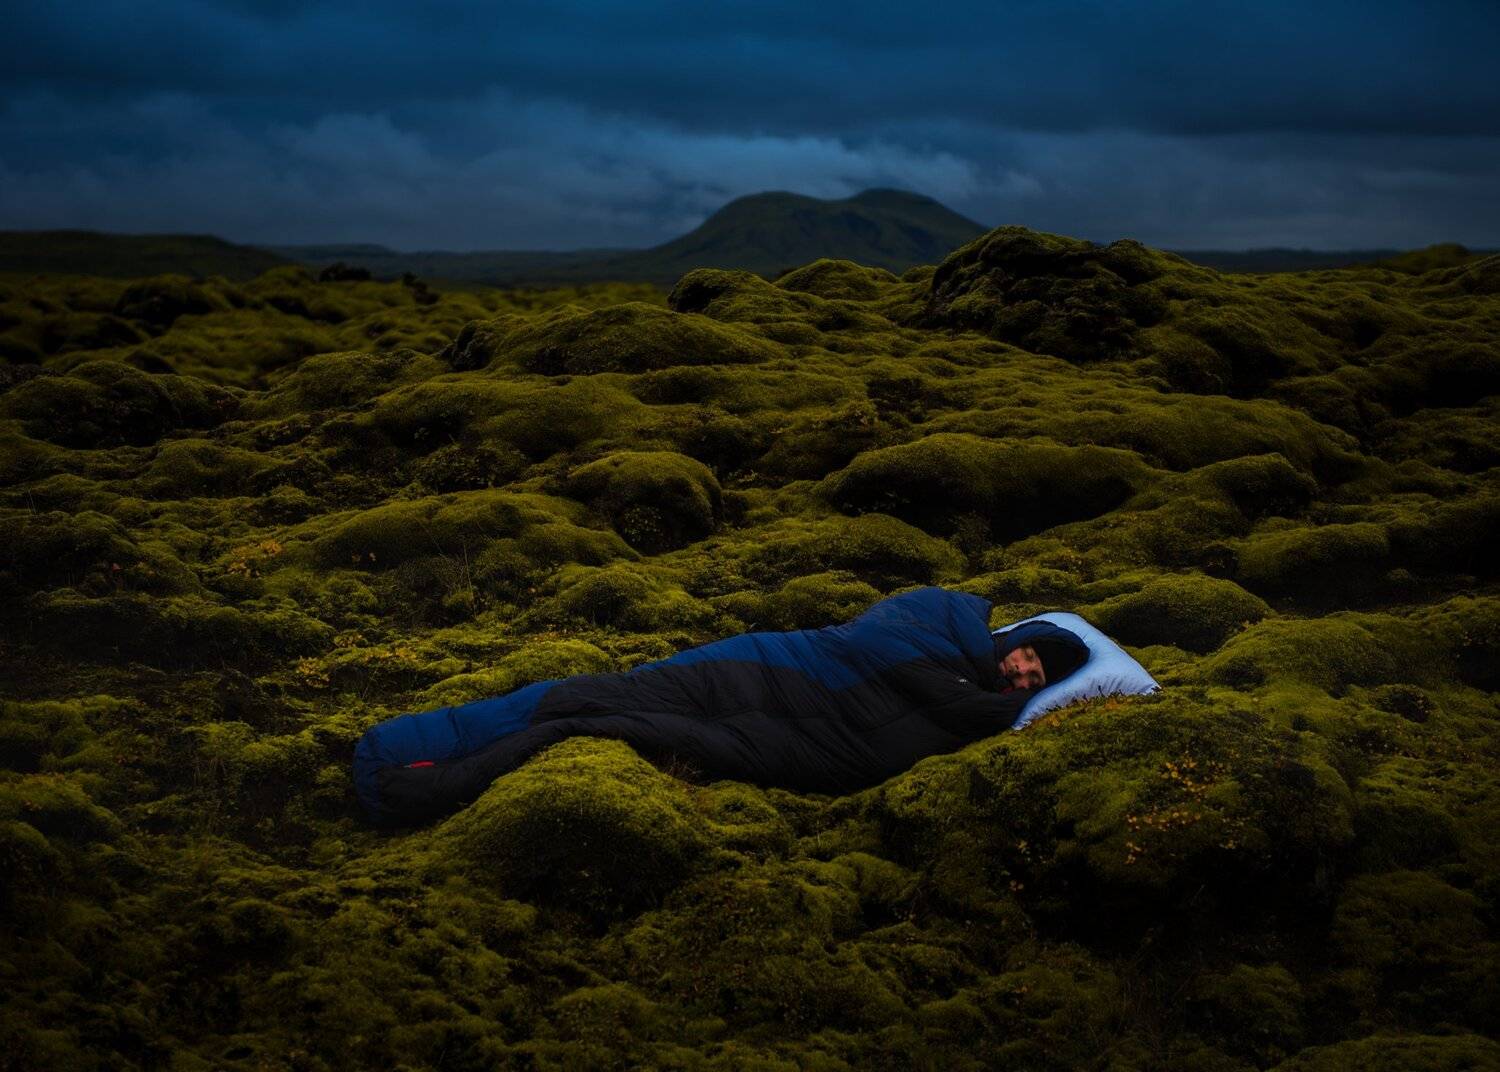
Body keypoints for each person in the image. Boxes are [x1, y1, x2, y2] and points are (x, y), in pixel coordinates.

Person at [355, 586, 1090, 826]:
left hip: (770, 723)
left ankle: (411, 783)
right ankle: (397, 754)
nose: (1024, 676)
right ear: (1016, 638)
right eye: (1030, 658)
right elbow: (873, 645)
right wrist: (988, 707)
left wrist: (999, 709)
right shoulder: (940, 616)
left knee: (594, 723)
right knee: (591, 694)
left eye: (1034, 680)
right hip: (752, 669)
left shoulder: (977, 703)